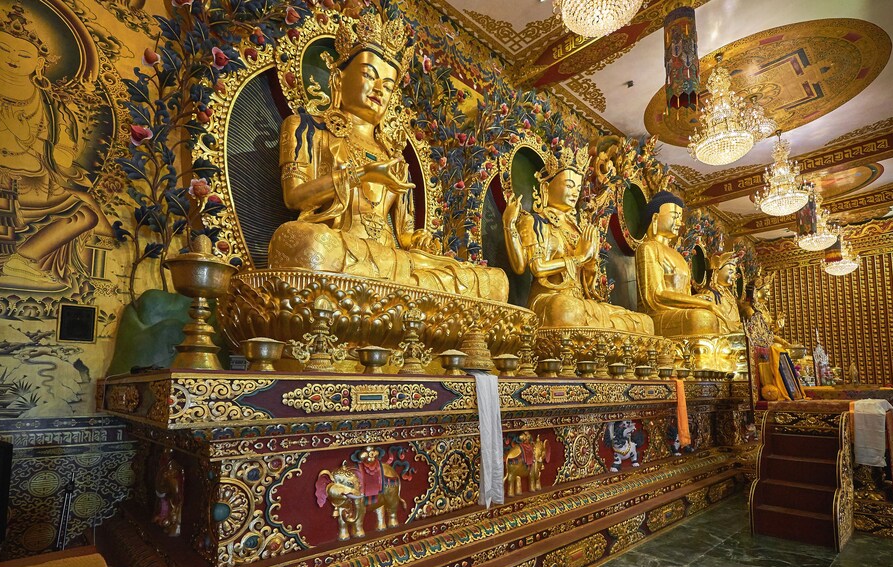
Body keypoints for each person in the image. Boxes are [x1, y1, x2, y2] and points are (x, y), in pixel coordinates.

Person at [267, 11, 507, 302]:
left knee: (491, 281)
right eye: (369, 75)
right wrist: (361, 174)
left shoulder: (395, 158)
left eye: (389, 85)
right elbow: (294, 198)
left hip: (389, 260)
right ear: (338, 79)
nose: (380, 90)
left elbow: (405, 235)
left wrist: (419, 240)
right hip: (336, 246)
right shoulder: (305, 127)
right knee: (305, 243)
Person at [0, 4, 105, 282]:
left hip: (29, 185)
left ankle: (26, 258)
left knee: (84, 215)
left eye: (24, 54)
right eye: (3, 48)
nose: (13, 57)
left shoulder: (51, 106)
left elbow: (63, 153)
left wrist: (36, 146)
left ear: (39, 63)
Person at [501, 147, 653, 333]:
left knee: (642, 322)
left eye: (578, 188)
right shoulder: (535, 221)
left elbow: (587, 285)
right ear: (546, 187)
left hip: (579, 301)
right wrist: (580, 258)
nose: (575, 193)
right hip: (550, 300)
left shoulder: (578, 229)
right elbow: (535, 267)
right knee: (568, 310)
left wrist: (590, 262)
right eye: (569, 185)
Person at [635, 191, 729, 337]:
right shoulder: (648, 248)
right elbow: (655, 295)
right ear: (655, 218)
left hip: (679, 311)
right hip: (659, 313)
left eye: (680, 217)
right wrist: (704, 304)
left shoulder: (678, 256)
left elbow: (683, 294)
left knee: (721, 322)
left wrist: (697, 300)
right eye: (675, 216)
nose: (680, 222)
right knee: (701, 318)